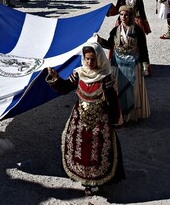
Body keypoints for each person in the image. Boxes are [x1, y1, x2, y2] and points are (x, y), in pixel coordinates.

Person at [45, 43, 124, 196]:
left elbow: (113, 100)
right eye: (87, 59)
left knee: (97, 152)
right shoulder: (79, 73)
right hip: (79, 120)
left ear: (99, 59)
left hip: (100, 122)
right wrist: (55, 78)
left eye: (92, 59)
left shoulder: (105, 77)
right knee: (81, 150)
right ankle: (85, 180)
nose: (89, 63)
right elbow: (65, 87)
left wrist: (116, 120)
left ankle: (97, 181)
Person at [97, 5, 150, 123]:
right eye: (121, 14)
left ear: (130, 16)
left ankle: (130, 116)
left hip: (133, 64)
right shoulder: (115, 30)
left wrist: (145, 64)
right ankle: (119, 115)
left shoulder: (137, 30)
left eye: (126, 15)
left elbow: (143, 48)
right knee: (118, 89)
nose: (123, 17)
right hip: (118, 64)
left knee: (132, 90)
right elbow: (110, 45)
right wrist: (99, 40)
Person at [107, 0, 151, 74]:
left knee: (139, 43)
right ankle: (115, 63)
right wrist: (107, 11)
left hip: (136, 21)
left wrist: (145, 26)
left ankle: (143, 65)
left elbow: (142, 12)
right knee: (118, 41)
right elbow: (117, 10)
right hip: (122, 21)